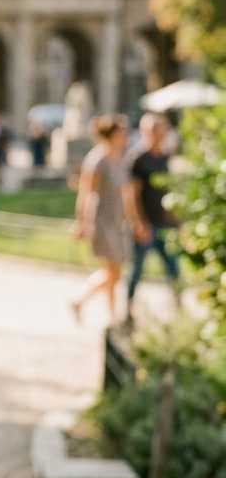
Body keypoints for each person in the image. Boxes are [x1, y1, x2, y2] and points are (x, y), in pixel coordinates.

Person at [72, 115, 130, 323]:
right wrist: (81, 222)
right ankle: (113, 317)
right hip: (102, 221)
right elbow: (85, 193)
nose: (125, 136)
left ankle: (80, 300)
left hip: (117, 220)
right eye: (121, 132)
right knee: (112, 269)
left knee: (115, 272)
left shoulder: (119, 158)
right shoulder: (97, 160)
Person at [124, 113, 181, 319]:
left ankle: (179, 311)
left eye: (163, 130)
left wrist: (177, 219)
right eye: (157, 131)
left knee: (174, 270)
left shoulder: (165, 157)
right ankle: (128, 310)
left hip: (165, 225)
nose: (161, 135)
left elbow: (167, 191)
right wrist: (139, 223)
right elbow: (131, 195)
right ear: (146, 132)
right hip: (146, 225)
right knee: (136, 271)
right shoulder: (138, 159)